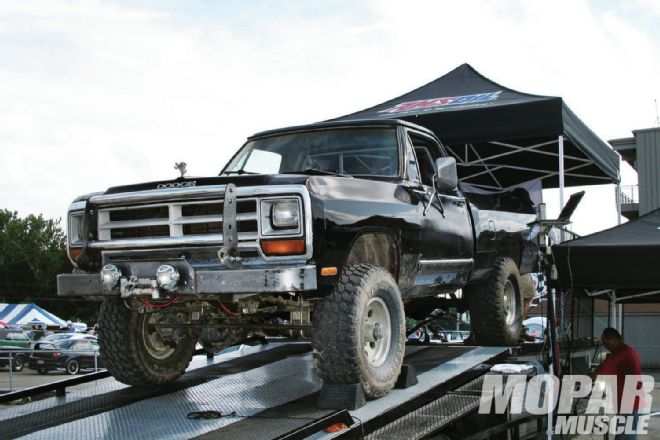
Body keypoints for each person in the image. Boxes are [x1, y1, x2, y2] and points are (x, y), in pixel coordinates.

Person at [591, 327, 643, 440]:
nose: (605, 346)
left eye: (606, 343)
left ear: (615, 340)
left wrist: (577, 382)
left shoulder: (619, 354)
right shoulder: (629, 350)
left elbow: (597, 375)